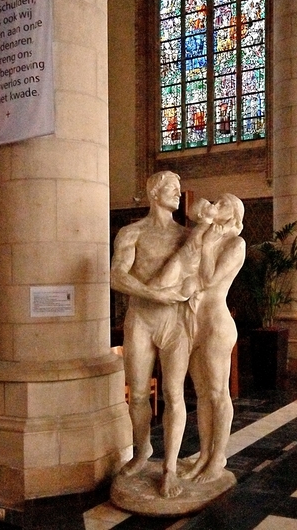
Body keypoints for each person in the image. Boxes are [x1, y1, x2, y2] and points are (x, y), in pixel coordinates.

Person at [110, 170, 193, 498]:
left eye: (178, 187)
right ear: (154, 193)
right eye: (172, 188)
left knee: (174, 394)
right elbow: (116, 276)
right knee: (140, 393)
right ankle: (142, 449)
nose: (178, 193)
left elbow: (196, 278)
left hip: (174, 324)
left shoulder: (186, 236)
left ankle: (170, 467)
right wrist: (156, 293)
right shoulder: (132, 232)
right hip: (141, 321)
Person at [183, 193, 246, 483]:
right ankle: (204, 453)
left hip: (216, 324)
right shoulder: (206, 236)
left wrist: (207, 248)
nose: (214, 206)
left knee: (218, 393)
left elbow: (209, 281)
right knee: (202, 394)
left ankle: (218, 456)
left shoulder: (236, 243)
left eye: (222, 204)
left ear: (233, 215)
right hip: (194, 323)